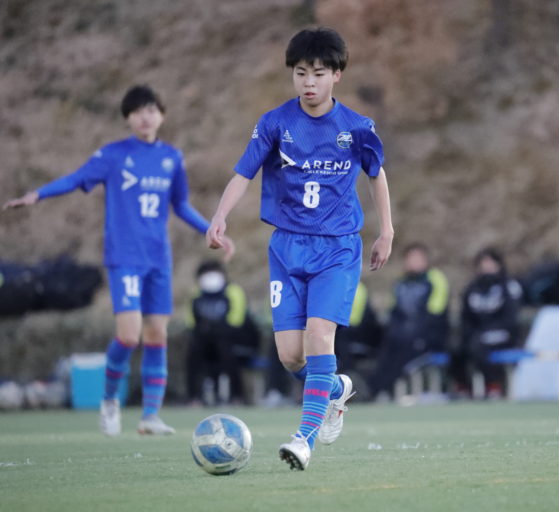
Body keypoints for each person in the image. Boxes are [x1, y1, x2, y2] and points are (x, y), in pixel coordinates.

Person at [206, 27, 393, 471]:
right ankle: (335, 389)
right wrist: (220, 215)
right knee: (291, 355)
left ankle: (303, 440)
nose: (309, 82)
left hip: (337, 248)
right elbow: (244, 173)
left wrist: (386, 230)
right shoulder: (275, 123)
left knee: (319, 336)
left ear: (337, 75)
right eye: (301, 73)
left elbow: (376, 174)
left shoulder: (356, 127)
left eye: (319, 73)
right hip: (286, 248)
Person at [3, 85, 234, 436]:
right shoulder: (113, 155)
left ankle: (150, 416)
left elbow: (181, 205)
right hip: (124, 257)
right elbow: (77, 178)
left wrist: (211, 229)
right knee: (128, 336)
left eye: (151, 110)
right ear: (128, 117)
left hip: (158, 258)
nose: (145, 117)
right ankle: (109, 400)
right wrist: (38, 194)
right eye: (137, 111)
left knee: (157, 333)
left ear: (162, 115)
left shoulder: (172, 158)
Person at [369, 243, 449, 400]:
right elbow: (394, 312)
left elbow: (435, 314)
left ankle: (382, 390)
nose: (413, 262)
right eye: (410, 258)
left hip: (425, 337)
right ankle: (375, 390)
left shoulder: (435, 279)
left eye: (417, 258)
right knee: (385, 350)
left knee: (401, 355)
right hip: (401, 336)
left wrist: (416, 334)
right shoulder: (400, 283)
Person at [186, 260, 260, 405]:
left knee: (227, 352)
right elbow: (191, 322)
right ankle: (194, 397)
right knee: (194, 354)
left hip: (233, 339)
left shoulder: (233, 291)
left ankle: (237, 397)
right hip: (205, 340)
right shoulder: (196, 293)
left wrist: (217, 329)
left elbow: (236, 320)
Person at [456, 247, 523, 398]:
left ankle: (493, 385)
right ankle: (463, 387)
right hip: (478, 333)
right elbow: (466, 316)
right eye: (483, 263)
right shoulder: (472, 288)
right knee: (457, 348)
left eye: (490, 262)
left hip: (503, 334)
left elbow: (510, 318)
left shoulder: (509, 286)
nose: (486, 266)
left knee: (479, 345)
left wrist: (489, 330)